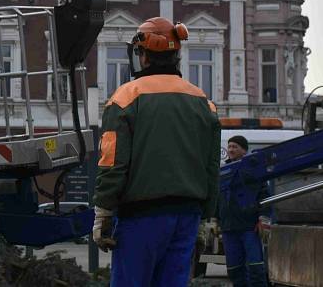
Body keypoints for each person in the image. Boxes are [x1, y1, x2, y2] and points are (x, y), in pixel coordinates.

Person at [92, 16, 222, 286]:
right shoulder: (203, 102)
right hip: (187, 216)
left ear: (143, 55)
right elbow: (212, 166)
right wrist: (206, 215)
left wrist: (103, 211)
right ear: (177, 54)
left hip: (142, 215)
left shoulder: (126, 97)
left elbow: (113, 162)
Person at [219, 135, 271, 287]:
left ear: (244, 150)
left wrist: (264, 217)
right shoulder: (223, 171)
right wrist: (216, 218)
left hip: (250, 228)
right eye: (229, 147)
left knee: (255, 269)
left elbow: (264, 195)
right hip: (229, 228)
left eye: (235, 146)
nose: (231, 149)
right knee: (234, 270)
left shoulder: (253, 170)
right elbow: (218, 197)